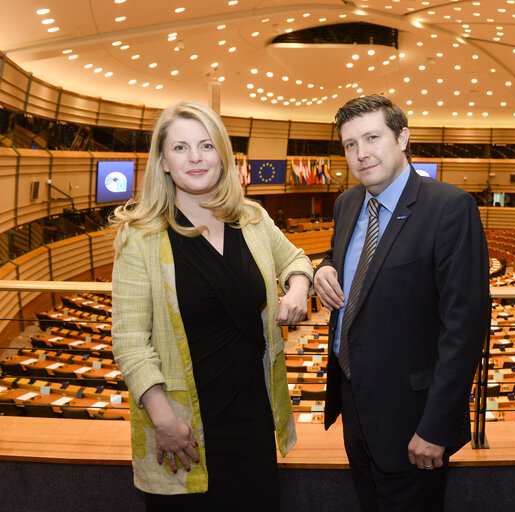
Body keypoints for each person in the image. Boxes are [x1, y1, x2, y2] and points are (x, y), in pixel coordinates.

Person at [111, 102, 312, 510]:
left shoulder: (251, 218)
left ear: (223, 155)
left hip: (252, 416)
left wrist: (297, 289)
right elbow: (130, 343)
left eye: (206, 145)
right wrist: (164, 422)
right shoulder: (141, 237)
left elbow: (296, 260)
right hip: (182, 427)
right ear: (163, 161)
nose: (196, 157)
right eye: (181, 148)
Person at [314, 95, 489, 511]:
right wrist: (323, 267)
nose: (361, 153)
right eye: (350, 144)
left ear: (403, 138)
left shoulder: (450, 207)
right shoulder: (347, 202)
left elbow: (463, 330)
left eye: (372, 137)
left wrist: (436, 427)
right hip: (355, 406)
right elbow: (349, 259)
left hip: (414, 417)